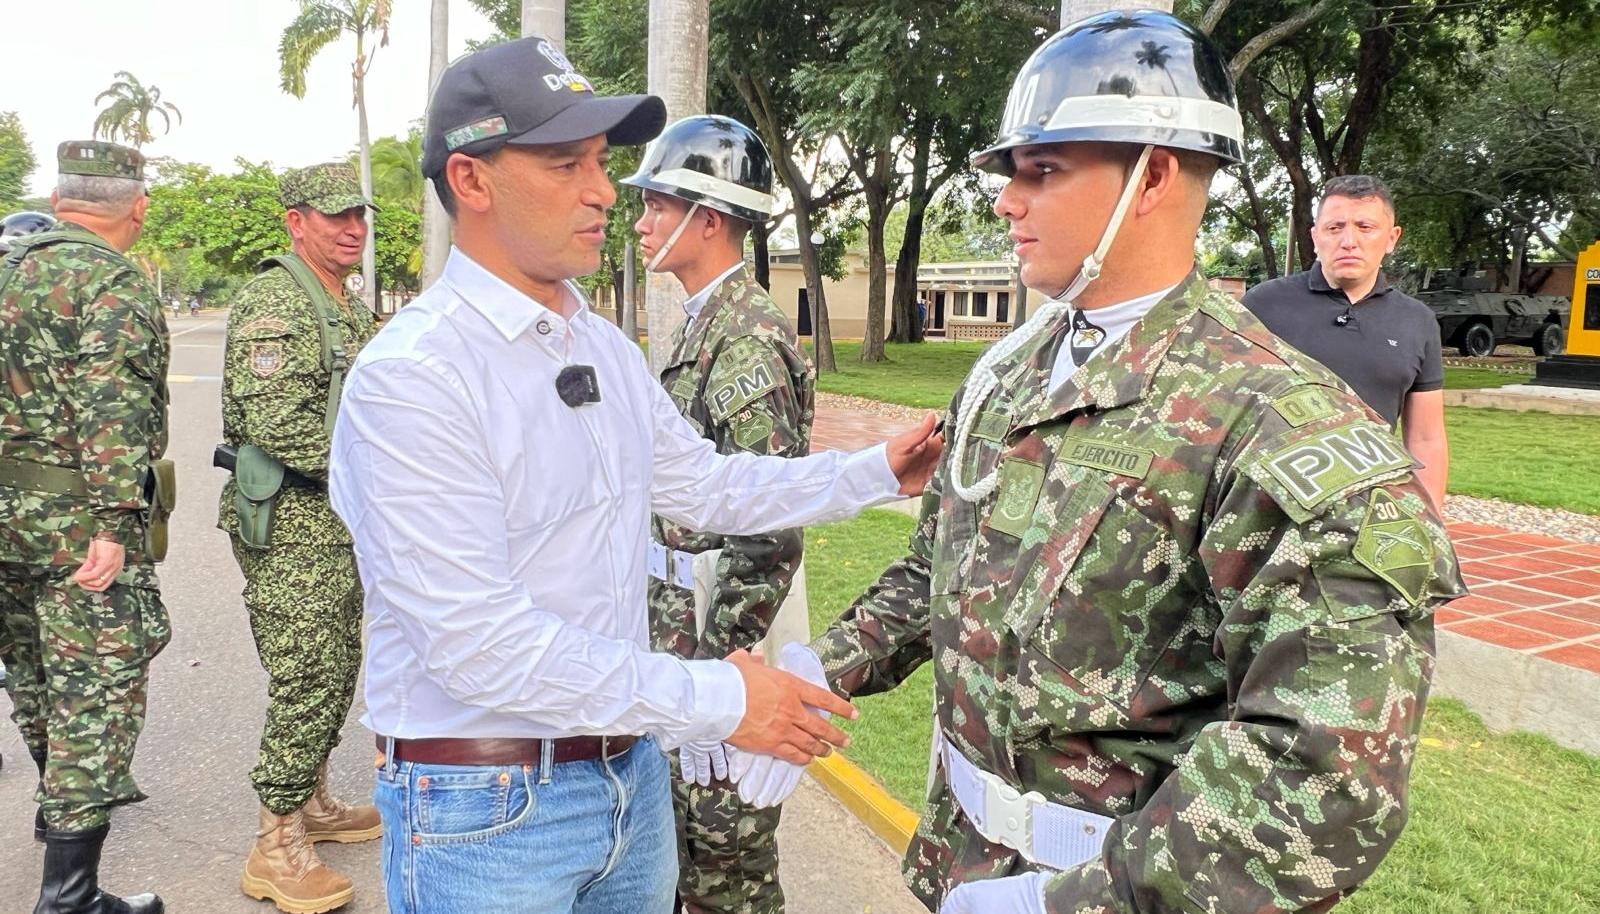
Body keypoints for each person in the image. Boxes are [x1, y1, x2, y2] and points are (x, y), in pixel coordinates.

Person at [735, 12, 1465, 913]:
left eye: (1041, 171)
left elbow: (1327, 770)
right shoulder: (1013, 375)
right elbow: (945, 564)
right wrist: (825, 668)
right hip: (963, 867)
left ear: (1152, 175)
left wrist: (1079, 901)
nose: (1007, 200)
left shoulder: (1278, 423)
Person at [328, 37, 941, 914]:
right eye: (565, 162)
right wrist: (719, 696)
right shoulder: (415, 377)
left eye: (602, 163)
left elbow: (706, 485)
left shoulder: (600, 347)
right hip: (489, 812)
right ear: (472, 180)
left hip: (628, 780)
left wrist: (873, 472)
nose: (603, 192)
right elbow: (480, 647)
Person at [624, 114, 809, 914]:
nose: (640, 221)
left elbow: (768, 527)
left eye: (658, 206)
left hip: (715, 631)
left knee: (724, 864)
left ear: (707, 217)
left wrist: (715, 680)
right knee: (685, 856)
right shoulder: (703, 322)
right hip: (681, 626)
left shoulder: (744, 340)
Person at [0, 140, 171, 914]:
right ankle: (69, 898)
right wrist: (113, 522)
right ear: (135, 204)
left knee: (34, 680)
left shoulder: (10, 266)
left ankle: (62, 839)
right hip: (77, 528)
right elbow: (112, 407)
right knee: (93, 696)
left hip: (7, 522)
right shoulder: (109, 277)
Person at [217, 162, 382, 914]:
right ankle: (275, 842)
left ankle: (311, 801)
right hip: (292, 519)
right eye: (335, 216)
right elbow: (276, 422)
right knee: (309, 672)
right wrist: (378, 476)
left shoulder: (338, 298)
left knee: (338, 660)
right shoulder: (275, 299)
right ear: (296, 222)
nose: (353, 228)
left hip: (332, 518)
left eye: (359, 216)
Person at [1244, 175, 1448, 506]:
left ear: (1392, 238)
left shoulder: (1417, 321)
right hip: (1267, 502)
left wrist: (1430, 519)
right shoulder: (1263, 306)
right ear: (1315, 237)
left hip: (1369, 504)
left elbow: (1426, 437)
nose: (1349, 240)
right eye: (1335, 227)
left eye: (1365, 227)